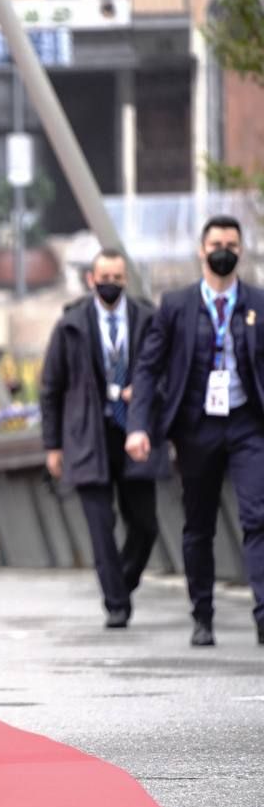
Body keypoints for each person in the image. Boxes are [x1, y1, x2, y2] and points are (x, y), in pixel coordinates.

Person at [126, 215, 264, 647]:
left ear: (240, 251)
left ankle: (263, 615)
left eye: (232, 243)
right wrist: (139, 426)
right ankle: (202, 615)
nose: (224, 250)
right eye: (217, 243)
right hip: (195, 427)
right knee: (198, 524)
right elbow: (148, 368)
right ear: (202, 251)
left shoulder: (258, 303)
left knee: (258, 517)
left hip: (248, 425)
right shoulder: (176, 306)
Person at [40, 250, 164, 629]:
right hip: (87, 436)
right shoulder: (71, 324)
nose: (111, 282)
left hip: (135, 433)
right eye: (104, 275)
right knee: (100, 524)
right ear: (91, 279)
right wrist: (53, 445)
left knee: (145, 524)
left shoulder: (146, 318)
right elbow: (51, 387)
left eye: (118, 276)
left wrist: (145, 392)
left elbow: (166, 372)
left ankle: (121, 583)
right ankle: (116, 604)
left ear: (126, 279)